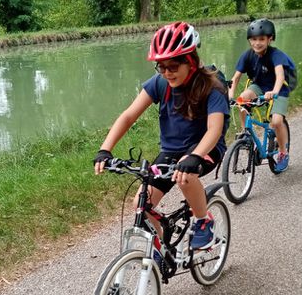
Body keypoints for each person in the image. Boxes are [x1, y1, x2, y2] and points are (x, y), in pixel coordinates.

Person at [93, 21, 229, 250]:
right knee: (141, 203)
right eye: (161, 67)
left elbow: (214, 129)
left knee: (185, 175)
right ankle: (159, 248)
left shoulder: (211, 86)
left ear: (191, 61)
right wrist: (105, 149)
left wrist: (195, 156)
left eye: (173, 66)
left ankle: (203, 220)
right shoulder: (160, 83)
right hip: (171, 151)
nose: (167, 72)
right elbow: (128, 116)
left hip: (206, 149)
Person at [229, 18, 295, 173]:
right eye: (253, 39)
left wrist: (274, 92)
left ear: (269, 39)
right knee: (242, 99)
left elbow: (280, 76)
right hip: (259, 86)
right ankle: (247, 134)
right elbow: (236, 77)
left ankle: (283, 153)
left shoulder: (275, 55)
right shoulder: (247, 56)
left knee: (277, 121)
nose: (257, 43)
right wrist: (230, 96)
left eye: (261, 39)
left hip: (278, 90)